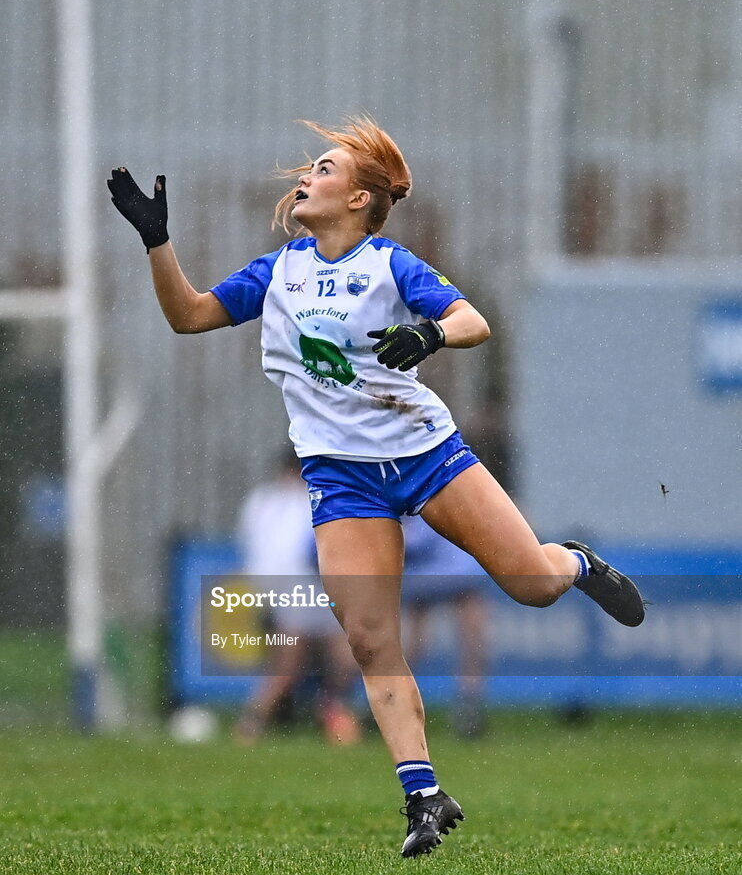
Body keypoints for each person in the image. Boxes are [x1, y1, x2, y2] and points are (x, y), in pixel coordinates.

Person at [107, 117, 645, 858]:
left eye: (324, 169)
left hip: (427, 455)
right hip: (340, 477)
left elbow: (473, 321)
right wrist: (155, 242)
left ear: (360, 199)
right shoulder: (279, 271)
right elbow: (189, 315)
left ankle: (577, 562)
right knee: (368, 638)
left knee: (533, 586)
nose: (306, 176)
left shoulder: (391, 265)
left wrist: (431, 334)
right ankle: (424, 796)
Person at [233, 449, 361, 746]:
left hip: (272, 591)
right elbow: (316, 552)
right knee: (307, 663)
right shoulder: (311, 501)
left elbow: (252, 547)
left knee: (310, 662)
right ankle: (255, 723)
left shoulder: (261, 501)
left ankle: (329, 714)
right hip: (305, 588)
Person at [401, 514, 488, 739]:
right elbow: (407, 539)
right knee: (415, 646)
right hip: (425, 577)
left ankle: (469, 708)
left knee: (474, 641)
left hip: (459, 574)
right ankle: (389, 701)